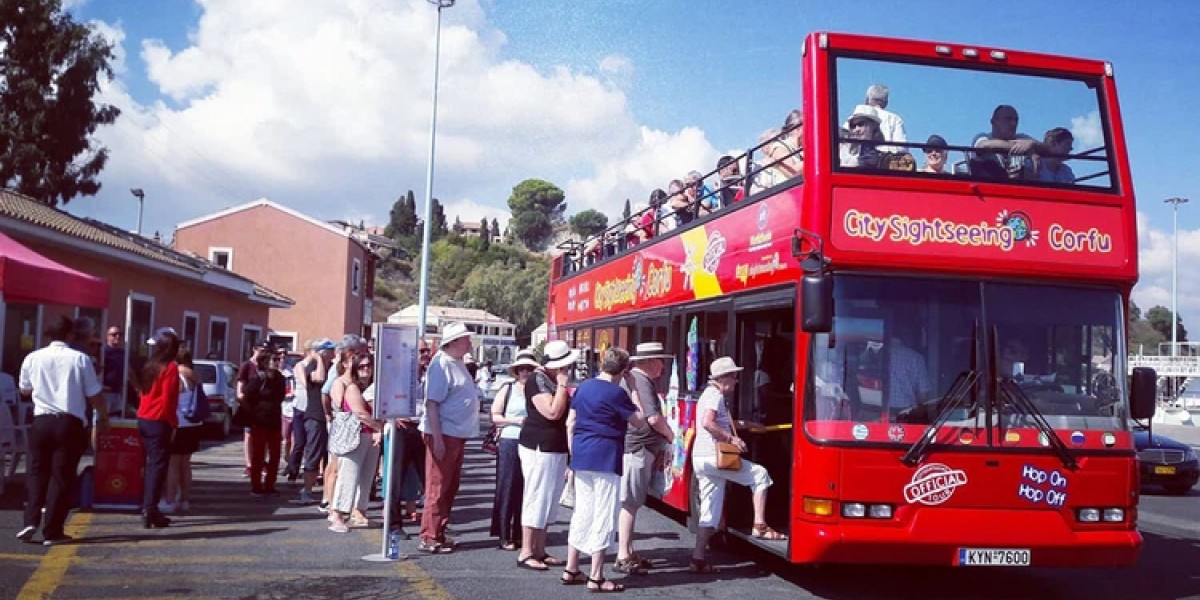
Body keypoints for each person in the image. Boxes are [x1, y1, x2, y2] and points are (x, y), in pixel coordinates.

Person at [562, 347, 647, 591]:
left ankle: (571, 568)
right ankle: (596, 575)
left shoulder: (584, 387)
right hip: (606, 456)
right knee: (603, 514)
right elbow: (639, 421)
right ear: (624, 370)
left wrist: (573, 455)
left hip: (582, 455)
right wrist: (633, 389)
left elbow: (571, 422)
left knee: (582, 512)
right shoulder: (617, 393)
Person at [15, 316, 105, 546]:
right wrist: (103, 416)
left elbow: (24, 390)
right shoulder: (80, 359)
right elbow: (93, 393)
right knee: (62, 476)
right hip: (69, 421)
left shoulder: (33, 357)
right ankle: (52, 530)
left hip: (41, 421)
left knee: (37, 472)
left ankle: (30, 520)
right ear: (70, 335)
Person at [691, 357, 784, 573]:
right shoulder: (715, 396)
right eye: (734, 377)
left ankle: (698, 558)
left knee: (709, 511)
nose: (736, 381)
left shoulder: (710, 395)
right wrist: (731, 439)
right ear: (723, 379)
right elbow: (707, 422)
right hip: (716, 456)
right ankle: (759, 525)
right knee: (760, 475)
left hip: (701, 459)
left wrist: (749, 424)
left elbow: (722, 422)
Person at [418, 322, 481, 554]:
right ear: (453, 342)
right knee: (438, 486)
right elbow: (432, 404)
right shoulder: (441, 364)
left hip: (456, 432)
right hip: (444, 433)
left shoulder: (457, 363)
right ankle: (429, 535)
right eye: (465, 338)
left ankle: (439, 532)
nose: (469, 342)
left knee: (449, 486)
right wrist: (438, 439)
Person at [614, 342, 675, 574]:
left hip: (637, 449)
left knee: (632, 502)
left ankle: (628, 551)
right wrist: (669, 435)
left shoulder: (638, 380)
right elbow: (653, 418)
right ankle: (623, 555)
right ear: (650, 361)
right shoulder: (641, 381)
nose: (662, 366)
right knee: (630, 503)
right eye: (660, 360)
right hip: (637, 450)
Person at [516, 339, 576, 571]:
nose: (567, 371)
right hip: (539, 446)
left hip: (555, 447)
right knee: (536, 496)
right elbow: (552, 412)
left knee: (549, 500)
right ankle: (527, 551)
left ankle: (540, 550)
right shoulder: (536, 380)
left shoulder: (548, 379)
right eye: (564, 367)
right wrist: (562, 386)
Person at [328, 353, 383, 533]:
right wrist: (379, 428)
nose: (366, 369)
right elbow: (360, 413)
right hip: (355, 436)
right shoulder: (353, 388)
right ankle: (337, 514)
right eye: (361, 366)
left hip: (370, 437)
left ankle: (359, 511)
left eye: (369, 365)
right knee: (348, 476)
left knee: (367, 478)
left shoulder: (373, 387)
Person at [489, 349, 538, 551]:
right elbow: (495, 415)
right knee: (507, 487)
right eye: (522, 369)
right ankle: (503, 534)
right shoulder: (507, 389)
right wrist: (516, 420)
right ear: (516, 372)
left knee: (526, 489)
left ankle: (520, 534)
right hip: (510, 441)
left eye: (529, 369)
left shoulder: (538, 390)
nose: (525, 372)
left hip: (531, 443)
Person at [137, 327, 182, 529]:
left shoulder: (151, 365)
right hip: (159, 419)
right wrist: (173, 424)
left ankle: (149, 506)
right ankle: (150, 509)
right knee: (158, 466)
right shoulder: (170, 367)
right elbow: (168, 399)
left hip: (145, 417)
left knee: (151, 465)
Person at [288, 339, 335, 505]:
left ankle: (329, 493)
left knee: (330, 455)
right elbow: (320, 379)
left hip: (330, 416)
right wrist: (319, 359)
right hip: (314, 415)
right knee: (313, 453)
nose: (333, 353)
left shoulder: (333, 367)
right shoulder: (311, 367)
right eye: (329, 350)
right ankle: (306, 490)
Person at [162, 348, 204, 514]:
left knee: (173, 464)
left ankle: (170, 499)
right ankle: (185, 499)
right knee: (186, 464)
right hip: (194, 424)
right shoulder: (194, 376)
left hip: (179, 424)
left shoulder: (178, 375)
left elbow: (172, 399)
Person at [242, 346, 286, 497]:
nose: (277, 362)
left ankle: (270, 485)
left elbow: (280, 398)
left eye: (278, 359)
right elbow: (246, 396)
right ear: (265, 361)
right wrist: (253, 413)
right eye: (274, 359)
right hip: (259, 422)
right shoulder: (258, 378)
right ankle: (256, 486)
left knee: (275, 455)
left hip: (274, 421)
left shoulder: (280, 378)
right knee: (259, 455)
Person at [971, 104, 1048, 179]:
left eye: (1016, 120)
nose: (1013, 123)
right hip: (989, 188)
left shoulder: (1022, 138)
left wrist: (1032, 144)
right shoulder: (983, 137)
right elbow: (982, 145)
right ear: (994, 121)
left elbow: (1048, 148)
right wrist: (1025, 148)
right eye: (1008, 119)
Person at [885, 322, 933, 415]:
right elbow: (923, 394)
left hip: (880, 410)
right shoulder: (915, 357)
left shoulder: (879, 354)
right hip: (907, 411)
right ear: (905, 337)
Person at [236, 342, 267, 478]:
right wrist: (243, 399)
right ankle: (249, 464)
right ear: (255, 350)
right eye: (261, 350)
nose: (263, 352)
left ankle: (261, 462)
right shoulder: (247, 366)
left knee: (263, 435)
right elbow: (240, 387)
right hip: (250, 404)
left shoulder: (266, 366)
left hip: (263, 405)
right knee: (249, 435)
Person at [762, 109, 804, 184]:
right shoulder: (779, 147)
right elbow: (793, 172)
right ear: (798, 129)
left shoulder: (798, 151)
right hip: (783, 193)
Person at [861, 84, 907, 151]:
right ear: (886, 102)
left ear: (868, 99)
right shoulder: (895, 119)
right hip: (887, 160)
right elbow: (902, 148)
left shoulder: (854, 118)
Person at [101, 325, 127, 419]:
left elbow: (129, 371)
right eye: (114, 334)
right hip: (105, 393)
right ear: (107, 336)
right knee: (103, 419)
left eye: (120, 334)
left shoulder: (122, 353)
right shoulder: (103, 352)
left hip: (118, 392)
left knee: (116, 419)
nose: (117, 337)